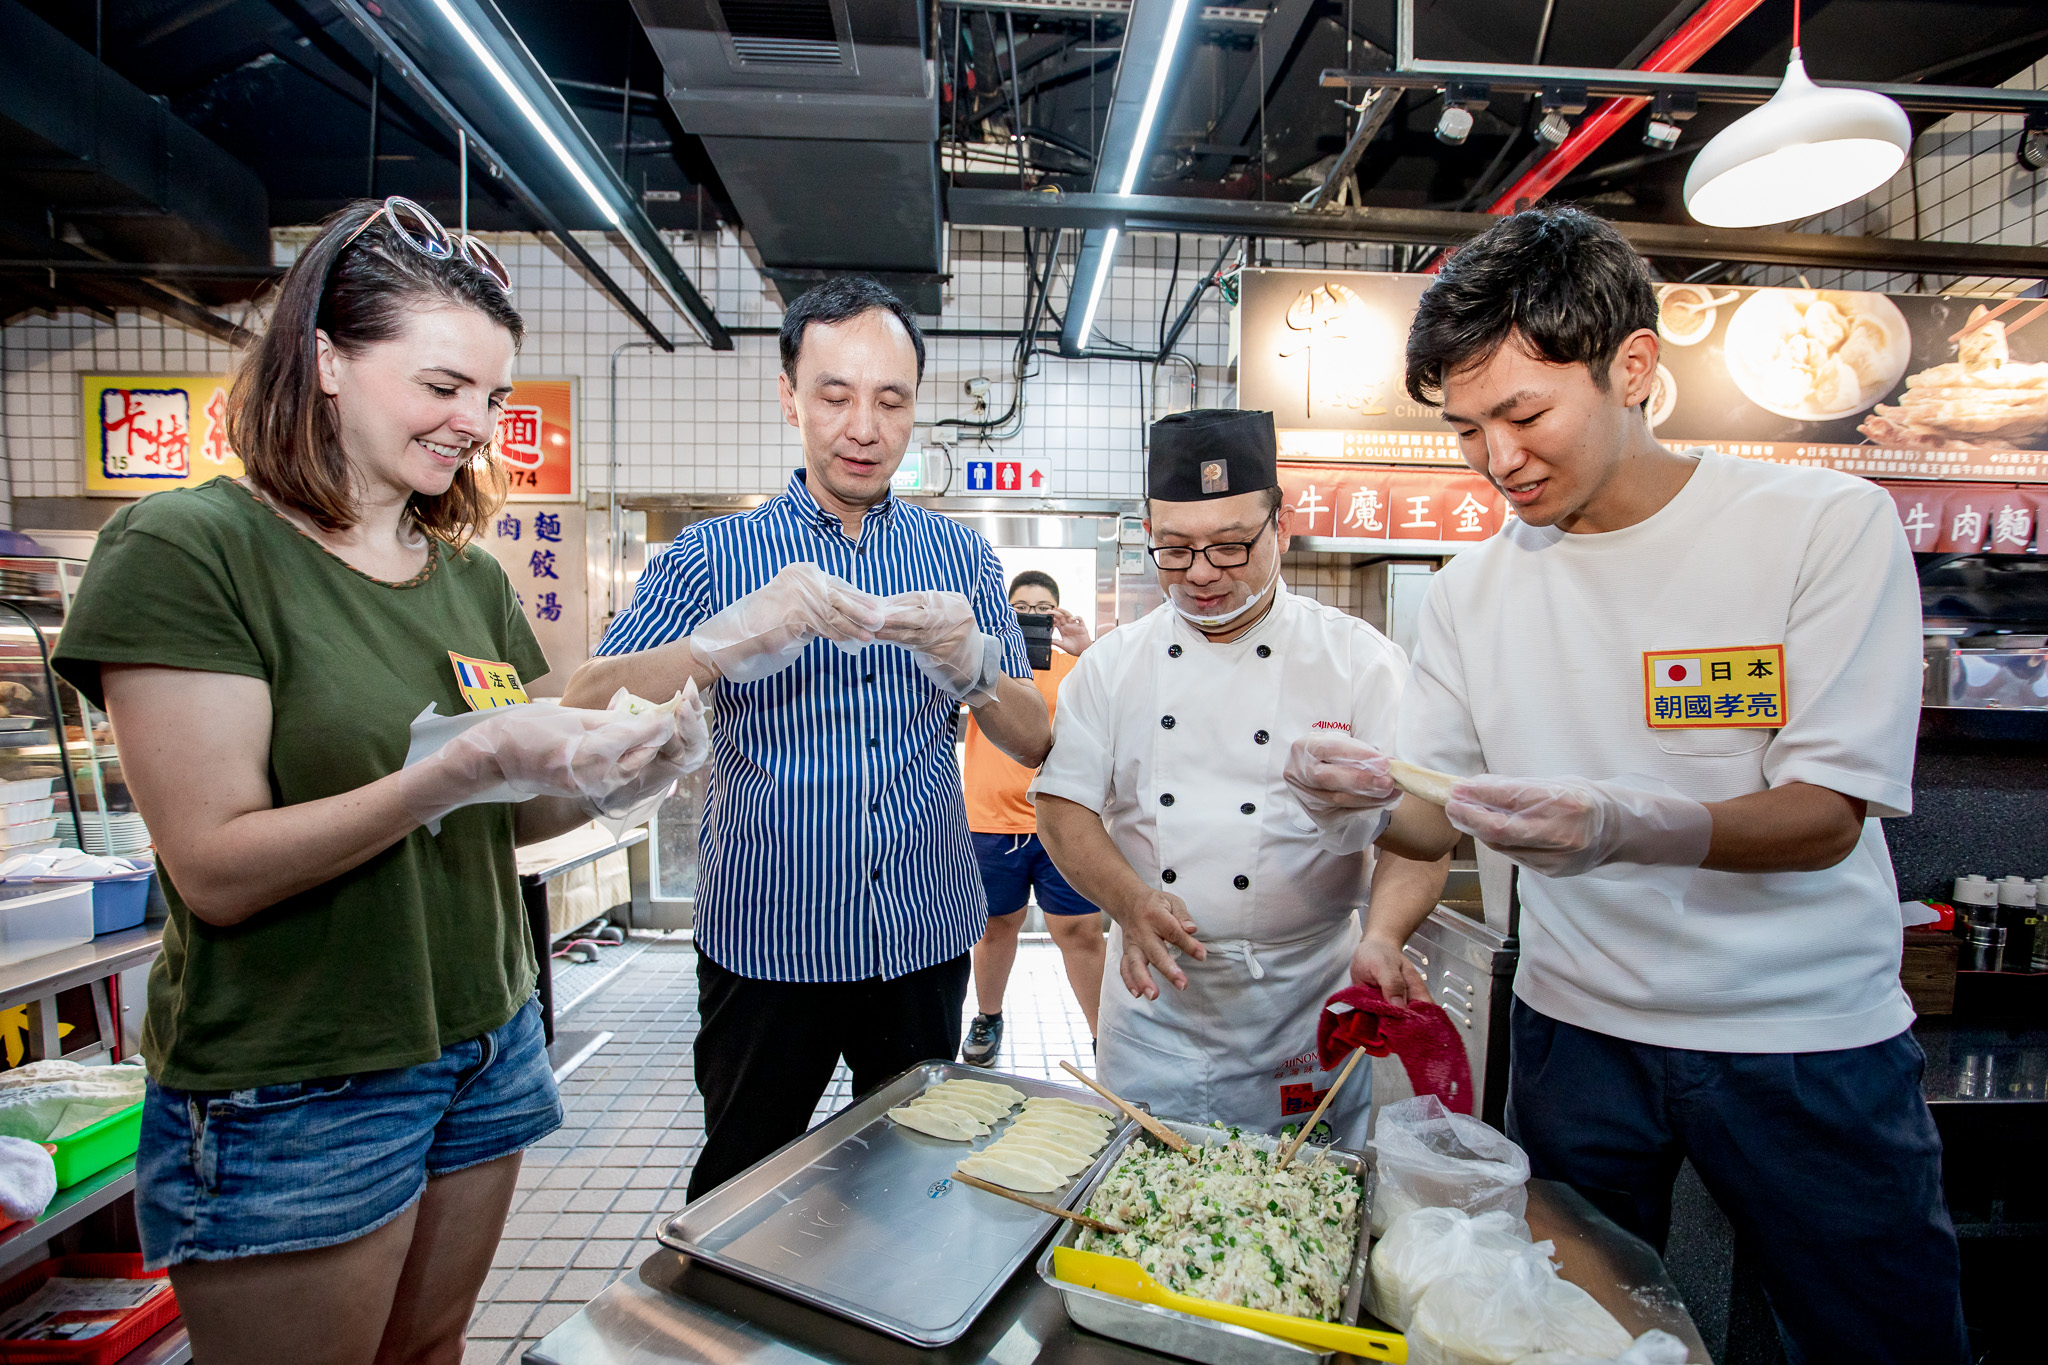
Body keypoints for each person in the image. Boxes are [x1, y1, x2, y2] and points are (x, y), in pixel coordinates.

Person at [1286, 206, 1966, 1359]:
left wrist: (1619, 825)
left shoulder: (1816, 527)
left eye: (1522, 413)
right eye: (1465, 430)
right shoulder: (1470, 592)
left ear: (1632, 367)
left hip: (1803, 1037)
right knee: (1563, 1334)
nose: (1497, 460)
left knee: (1876, 1334)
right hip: (1575, 1035)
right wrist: (1345, 794)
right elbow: (1432, 813)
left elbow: (1822, 814)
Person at [50, 197, 707, 1365]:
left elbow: (507, 809)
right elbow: (215, 868)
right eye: (443, 385)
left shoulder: (465, 577)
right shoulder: (190, 550)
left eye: (494, 398)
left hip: (481, 1036)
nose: (476, 425)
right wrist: (448, 770)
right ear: (325, 362)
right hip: (297, 1075)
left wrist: (618, 779)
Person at [561, 276, 1051, 1200]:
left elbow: (1032, 739)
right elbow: (585, 704)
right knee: (743, 1184)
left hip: (922, 932)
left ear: (915, 408)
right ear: (789, 396)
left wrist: (974, 661)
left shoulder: (961, 558)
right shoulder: (710, 555)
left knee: (914, 1188)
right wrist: (715, 644)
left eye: (890, 399)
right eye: (834, 395)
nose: (863, 426)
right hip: (767, 939)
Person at [1033, 409, 1449, 1148]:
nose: (1199, 573)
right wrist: (1129, 902)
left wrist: (1383, 932)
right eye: (1175, 548)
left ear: (1278, 527)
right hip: (1153, 1008)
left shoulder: (1359, 660)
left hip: (1301, 1005)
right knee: (1142, 1210)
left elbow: (1424, 836)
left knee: (1302, 1221)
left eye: (1230, 546)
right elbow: (1064, 813)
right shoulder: (1113, 665)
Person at [960, 570, 1104, 1066]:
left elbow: (1125, 703)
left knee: (1081, 930)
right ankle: (988, 1016)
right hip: (989, 822)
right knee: (996, 925)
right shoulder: (987, 668)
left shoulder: (1078, 668)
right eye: (1020, 607)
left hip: (1063, 822)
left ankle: (1104, 1034)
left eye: (1044, 609)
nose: (1032, 616)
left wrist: (1087, 648)